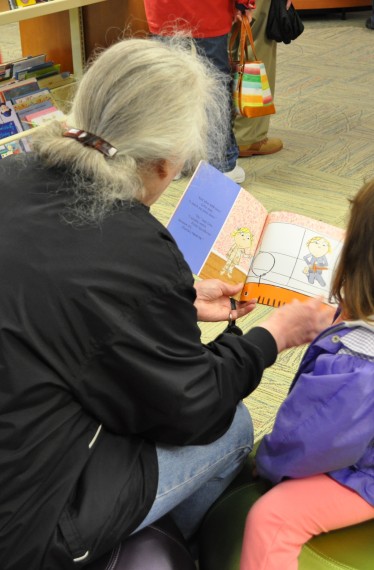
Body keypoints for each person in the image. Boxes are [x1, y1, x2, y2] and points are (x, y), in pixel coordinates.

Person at [0, 37, 331, 570]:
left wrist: (173, 298)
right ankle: (181, 553)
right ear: (162, 163)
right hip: (29, 527)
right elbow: (192, 410)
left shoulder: (13, 173)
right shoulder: (133, 245)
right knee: (233, 428)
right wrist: (273, 337)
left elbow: (66, 300)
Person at [240, 180, 374, 570]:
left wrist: (266, 462)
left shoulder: (358, 366)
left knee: (271, 519)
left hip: (364, 473)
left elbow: (310, 442)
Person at [143, 0, 284, 184]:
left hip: (161, 8)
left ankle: (170, 160)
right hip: (208, 9)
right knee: (215, 86)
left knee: (168, 84)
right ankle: (221, 164)